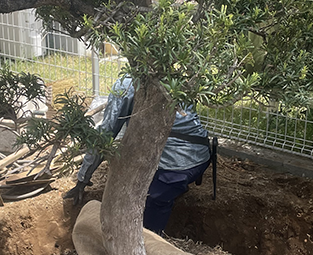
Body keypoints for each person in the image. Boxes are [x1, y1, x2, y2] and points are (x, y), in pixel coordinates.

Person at [64, 74, 213, 233]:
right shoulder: (175, 75)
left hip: (173, 170)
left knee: (150, 209)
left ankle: (154, 234)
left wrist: (82, 179)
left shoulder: (126, 85)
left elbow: (105, 135)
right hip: (202, 157)